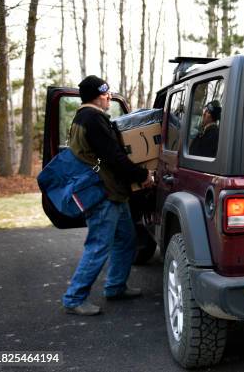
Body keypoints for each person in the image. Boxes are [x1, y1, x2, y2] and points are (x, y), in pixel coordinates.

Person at [62, 75, 152, 316]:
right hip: (103, 193)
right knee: (98, 245)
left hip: (113, 192)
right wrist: (142, 174)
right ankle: (74, 298)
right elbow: (113, 157)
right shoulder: (92, 119)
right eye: (105, 94)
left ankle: (115, 286)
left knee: (126, 239)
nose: (109, 97)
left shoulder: (85, 118)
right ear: (95, 96)